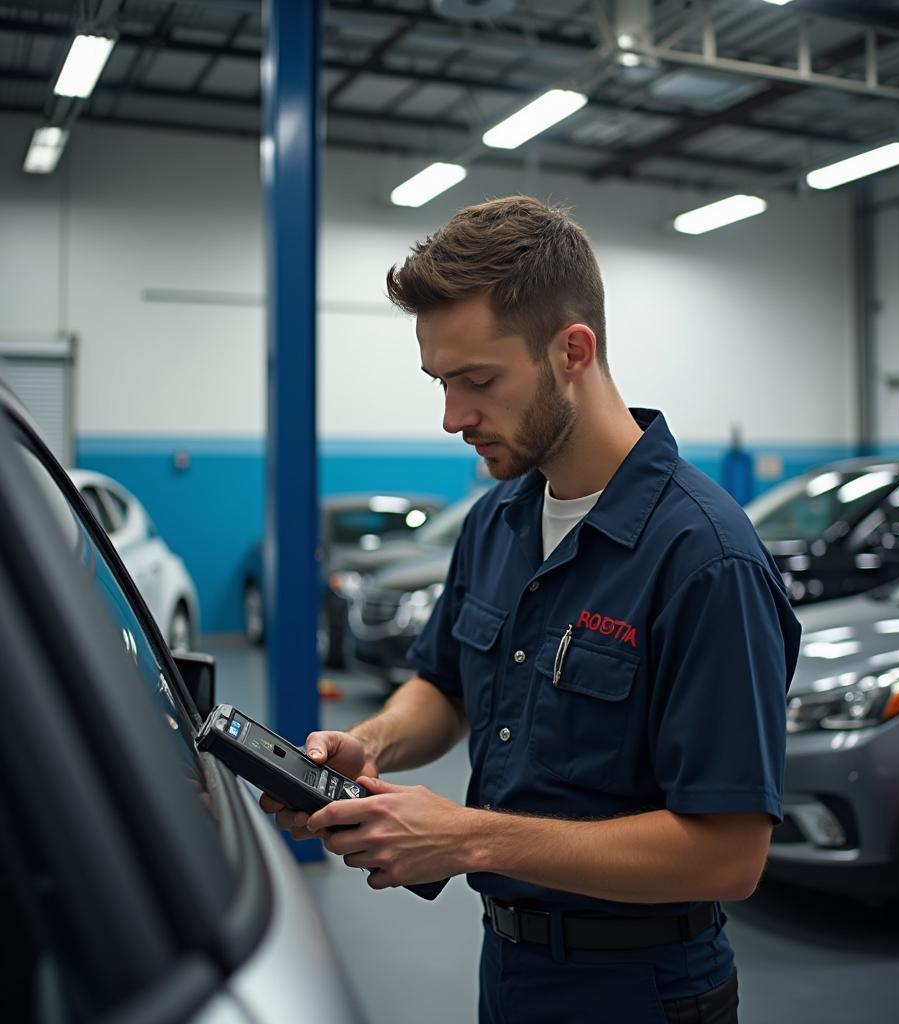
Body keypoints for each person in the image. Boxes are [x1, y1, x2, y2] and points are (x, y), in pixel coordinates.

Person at [260, 196, 801, 1024]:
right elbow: (443, 687)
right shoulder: (498, 518)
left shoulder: (705, 559)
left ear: (572, 350)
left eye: (478, 381)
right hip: (510, 969)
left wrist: (469, 837)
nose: (453, 419)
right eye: (442, 383)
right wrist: (367, 743)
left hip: (643, 992)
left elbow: (729, 855)